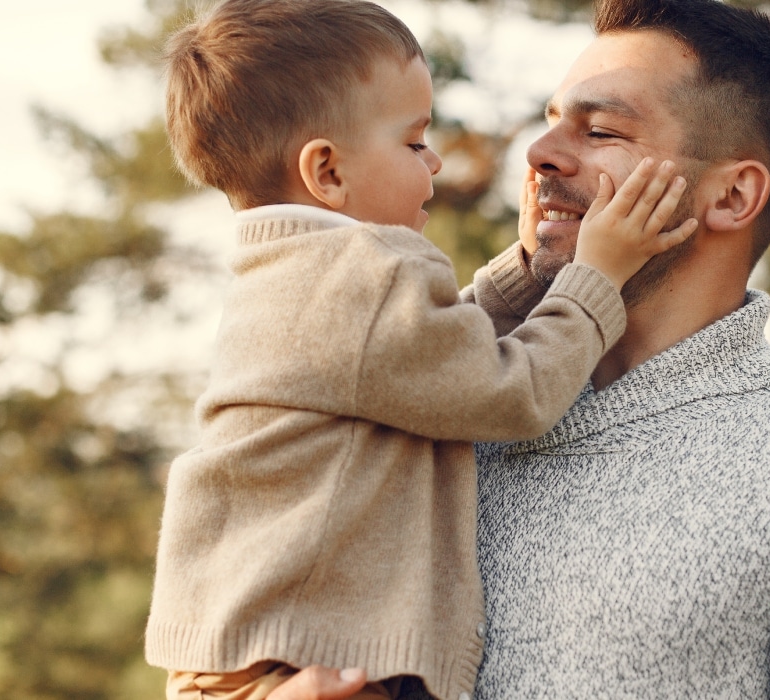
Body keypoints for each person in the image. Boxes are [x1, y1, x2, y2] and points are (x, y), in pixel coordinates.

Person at [270, 0, 770, 697]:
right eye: (550, 122)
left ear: (732, 195)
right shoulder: (424, 406)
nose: (539, 155)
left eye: (600, 130)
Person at [142, 1, 697, 699]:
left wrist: (526, 269)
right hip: (318, 655)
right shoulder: (370, 266)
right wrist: (597, 276)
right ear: (327, 172)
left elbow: (419, 363)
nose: (434, 160)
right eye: (412, 143)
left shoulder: (287, 271)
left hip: (240, 651)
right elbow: (510, 392)